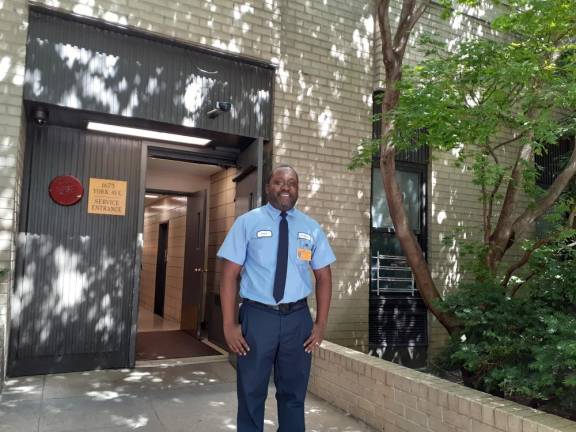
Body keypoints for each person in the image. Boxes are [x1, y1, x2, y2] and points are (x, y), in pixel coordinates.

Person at [217, 164, 336, 432]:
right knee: (251, 392)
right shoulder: (248, 222)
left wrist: (320, 324)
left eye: (292, 183)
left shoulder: (311, 228)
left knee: (294, 395)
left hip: (297, 320)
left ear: (297, 189)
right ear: (268, 186)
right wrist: (228, 325)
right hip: (258, 318)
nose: (286, 187)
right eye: (279, 182)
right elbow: (228, 275)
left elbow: (325, 277)